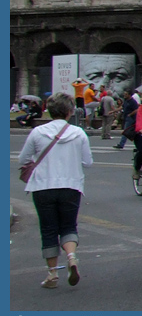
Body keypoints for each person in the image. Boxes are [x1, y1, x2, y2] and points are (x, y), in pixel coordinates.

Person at [17, 92, 92, 289]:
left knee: (48, 229)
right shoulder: (79, 133)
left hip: (42, 186)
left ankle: (52, 274)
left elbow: (23, 160)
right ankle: (72, 256)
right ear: (69, 111)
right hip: (71, 185)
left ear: (50, 111)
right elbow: (88, 162)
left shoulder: (37, 132)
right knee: (68, 226)